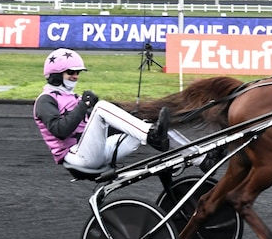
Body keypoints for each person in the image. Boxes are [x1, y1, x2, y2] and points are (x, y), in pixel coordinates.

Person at [33, 48, 170, 170]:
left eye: (78, 72)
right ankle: (151, 135)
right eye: (71, 72)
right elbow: (61, 131)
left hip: (95, 151)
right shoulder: (45, 100)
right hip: (77, 156)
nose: (75, 76)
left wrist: (131, 119)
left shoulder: (72, 97)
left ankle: (183, 151)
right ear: (56, 74)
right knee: (101, 107)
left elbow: (94, 128)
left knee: (143, 122)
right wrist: (84, 105)